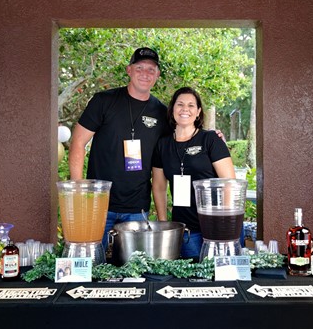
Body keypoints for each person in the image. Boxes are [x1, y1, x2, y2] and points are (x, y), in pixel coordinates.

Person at [69, 47, 170, 250]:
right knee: (93, 266)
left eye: (151, 69)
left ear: (157, 75)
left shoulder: (162, 113)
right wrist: (80, 195)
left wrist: (162, 220)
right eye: (139, 67)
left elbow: (164, 162)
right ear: (129, 70)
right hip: (99, 205)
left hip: (137, 209)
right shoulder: (104, 101)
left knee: (133, 270)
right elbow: (78, 143)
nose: (145, 73)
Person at [151, 86, 236, 260]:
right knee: (192, 281)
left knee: (221, 282)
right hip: (186, 230)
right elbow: (159, 186)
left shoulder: (211, 139)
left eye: (191, 106)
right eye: (180, 104)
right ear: (172, 109)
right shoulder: (163, 145)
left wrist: (223, 224)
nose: (185, 109)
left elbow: (229, 182)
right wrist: (163, 223)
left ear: (198, 112)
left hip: (214, 228)